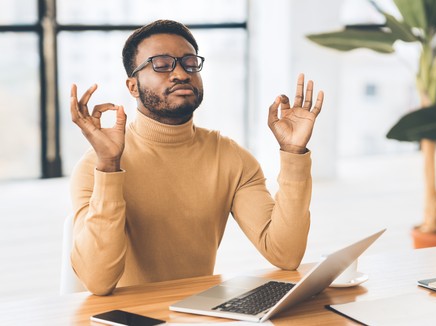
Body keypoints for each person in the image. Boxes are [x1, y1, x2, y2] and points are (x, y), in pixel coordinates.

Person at [69, 19, 324, 296]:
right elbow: (97, 281)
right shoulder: (95, 166)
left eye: (189, 63)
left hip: (199, 313)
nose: (180, 73)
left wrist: (293, 154)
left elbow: (285, 253)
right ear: (133, 87)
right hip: (124, 317)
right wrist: (108, 167)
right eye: (162, 64)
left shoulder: (230, 157)